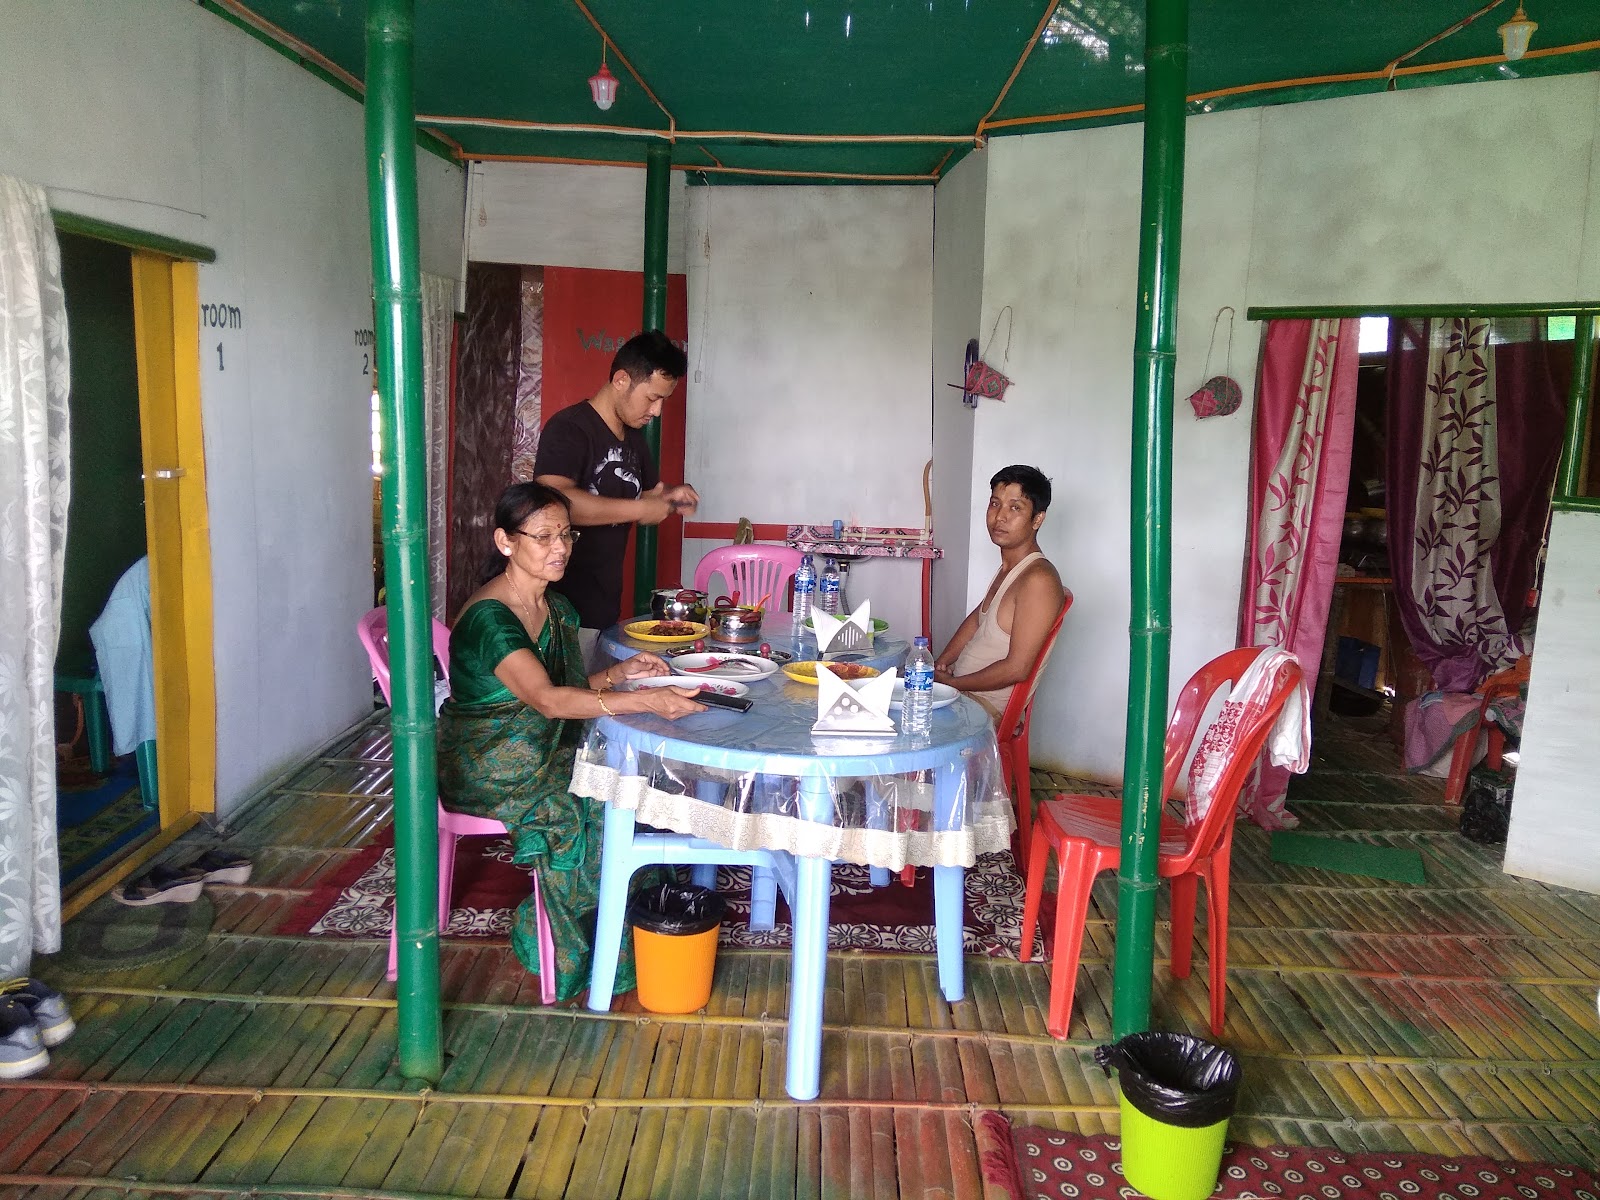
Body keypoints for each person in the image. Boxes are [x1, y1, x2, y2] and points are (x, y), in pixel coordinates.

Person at [436, 482, 706, 1002]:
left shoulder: (554, 606)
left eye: (566, 534)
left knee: (637, 790)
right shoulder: (493, 619)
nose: (559, 547)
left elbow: (570, 690)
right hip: (490, 762)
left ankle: (637, 934)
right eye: (543, 536)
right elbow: (548, 702)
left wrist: (623, 674)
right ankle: (569, 947)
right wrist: (646, 701)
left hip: (544, 746)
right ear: (505, 542)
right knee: (594, 812)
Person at [534, 330, 700, 668]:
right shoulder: (569, 429)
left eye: (664, 400)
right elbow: (555, 504)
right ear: (621, 380)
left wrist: (671, 497)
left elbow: (649, 495)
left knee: (595, 702)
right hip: (558, 608)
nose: (657, 410)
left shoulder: (634, 439)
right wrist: (642, 509)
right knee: (566, 706)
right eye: (653, 397)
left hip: (604, 605)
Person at [934, 465, 1066, 721]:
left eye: (1015, 507)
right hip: (964, 694)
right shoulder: (1009, 568)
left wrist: (952, 685)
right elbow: (977, 620)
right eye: (995, 504)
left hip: (984, 709)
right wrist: (940, 664)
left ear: (1037, 519)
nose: (1000, 516)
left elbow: (1017, 668)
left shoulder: (1038, 579)